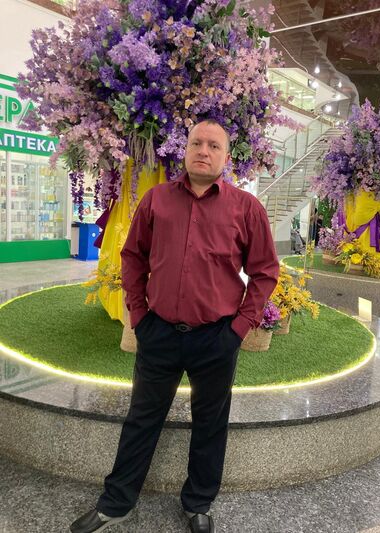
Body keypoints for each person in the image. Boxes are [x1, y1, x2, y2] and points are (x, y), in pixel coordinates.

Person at [70, 119, 279, 533]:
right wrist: (139, 315)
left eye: (214, 146)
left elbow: (265, 271)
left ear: (226, 157)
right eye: (197, 143)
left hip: (217, 337)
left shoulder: (246, 208)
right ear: (184, 150)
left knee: (210, 424)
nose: (204, 151)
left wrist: (239, 328)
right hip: (159, 334)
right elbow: (133, 257)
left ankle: (198, 503)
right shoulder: (156, 200)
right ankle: (116, 503)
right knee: (141, 419)